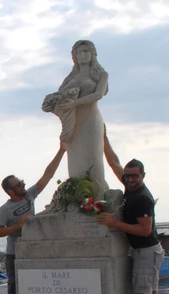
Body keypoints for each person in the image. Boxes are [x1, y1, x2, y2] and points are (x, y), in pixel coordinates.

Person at [98, 130, 164, 294]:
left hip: (146, 250)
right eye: (128, 176)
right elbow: (114, 161)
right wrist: (103, 138)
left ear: (143, 176)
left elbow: (145, 230)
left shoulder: (142, 198)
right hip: (145, 251)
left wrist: (114, 223)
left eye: (135, 176)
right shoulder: (129, 188)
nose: (130, 179)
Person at [0, 143, 66, 294]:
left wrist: (61, 150)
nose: (23, 185)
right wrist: (17, 226)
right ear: (9, 191)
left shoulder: (29, 195)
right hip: (15, 256)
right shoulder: (5, 209)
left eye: (22, 182)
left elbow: (48, 175)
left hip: (34, 253)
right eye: (19, 184)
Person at [43, 39, 109, 194]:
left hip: (91, 120)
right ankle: (79, 197)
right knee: (76, 160)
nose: (83, 55)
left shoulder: (101, 75)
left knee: (94, 158)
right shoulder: (70, 78)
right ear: (74, 56)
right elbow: (60, 96)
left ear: (93, 54)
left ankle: (97, 198)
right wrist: (51, 103)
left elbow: (98, 94)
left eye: (86, 51)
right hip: (73, 123)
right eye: (79, 52)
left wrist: (75, 103)